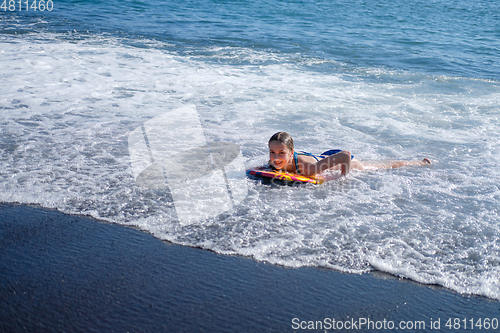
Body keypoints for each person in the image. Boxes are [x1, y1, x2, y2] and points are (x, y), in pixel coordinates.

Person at [268, 131, 431, 177]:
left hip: (346, 161)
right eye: (272, 152)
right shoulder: (274, 162)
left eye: (281, 153)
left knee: (384, 166)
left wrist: (343, 177)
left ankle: (420, 163)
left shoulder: (308, 168)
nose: (276, 157)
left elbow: (345, 155)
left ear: (291, 154)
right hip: (326, 157)